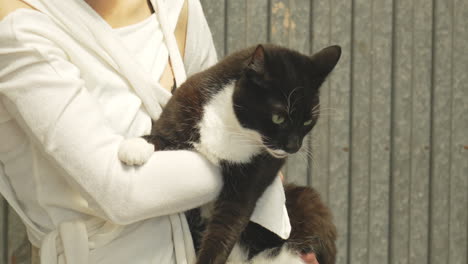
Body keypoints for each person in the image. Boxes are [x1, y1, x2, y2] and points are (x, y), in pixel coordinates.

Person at [0, 0, 318, 263]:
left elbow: (231, 129)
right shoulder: (20, 25)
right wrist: (254, 170)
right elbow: (118, 191)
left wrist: (289, 246)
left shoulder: (174, 8)